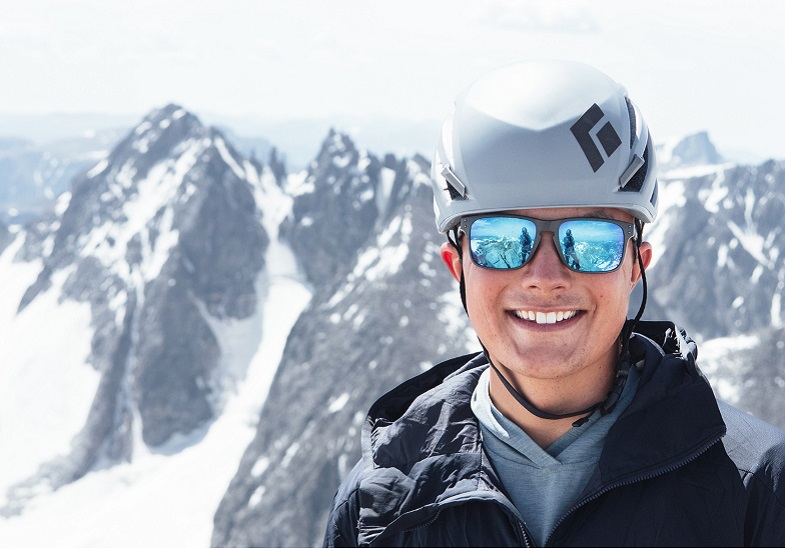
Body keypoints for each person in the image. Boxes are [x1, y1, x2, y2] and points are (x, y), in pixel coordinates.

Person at [323, 60, 785, 547]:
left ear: (636, 266)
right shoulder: (380, 502)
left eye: (590, 240)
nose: (545, 278)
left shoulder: (756, 485)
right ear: (457, 266)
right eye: (503, 239)